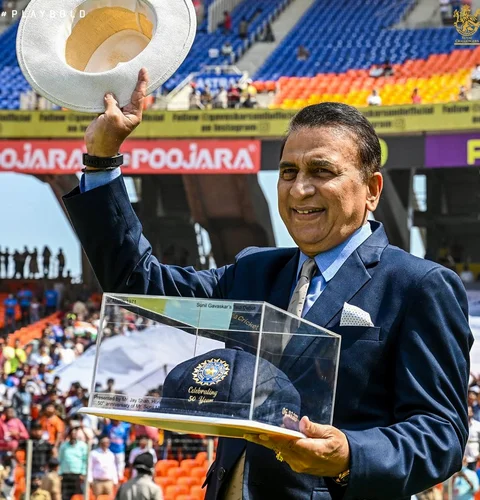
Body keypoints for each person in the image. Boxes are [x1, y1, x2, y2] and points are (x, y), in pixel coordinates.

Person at [62, 69, 472, 499]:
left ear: (371, 189)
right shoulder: (254, 271)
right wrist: (102, 160)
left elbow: (440, 435)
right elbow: (137, 283)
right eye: (288, 172)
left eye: (321, 171)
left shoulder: (419, 286)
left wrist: (350, 455)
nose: (300, 189)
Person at [58, 427, 88, 500]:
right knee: (65, 495)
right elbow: (60, 459)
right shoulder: (63, 446)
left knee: (76, 495)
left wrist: (83, 473)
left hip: (77, 474)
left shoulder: (82, 446)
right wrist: (60, 473)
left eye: (75, 434)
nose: (73, 435)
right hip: (66, 474)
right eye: (72, 434)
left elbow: (85, 460)